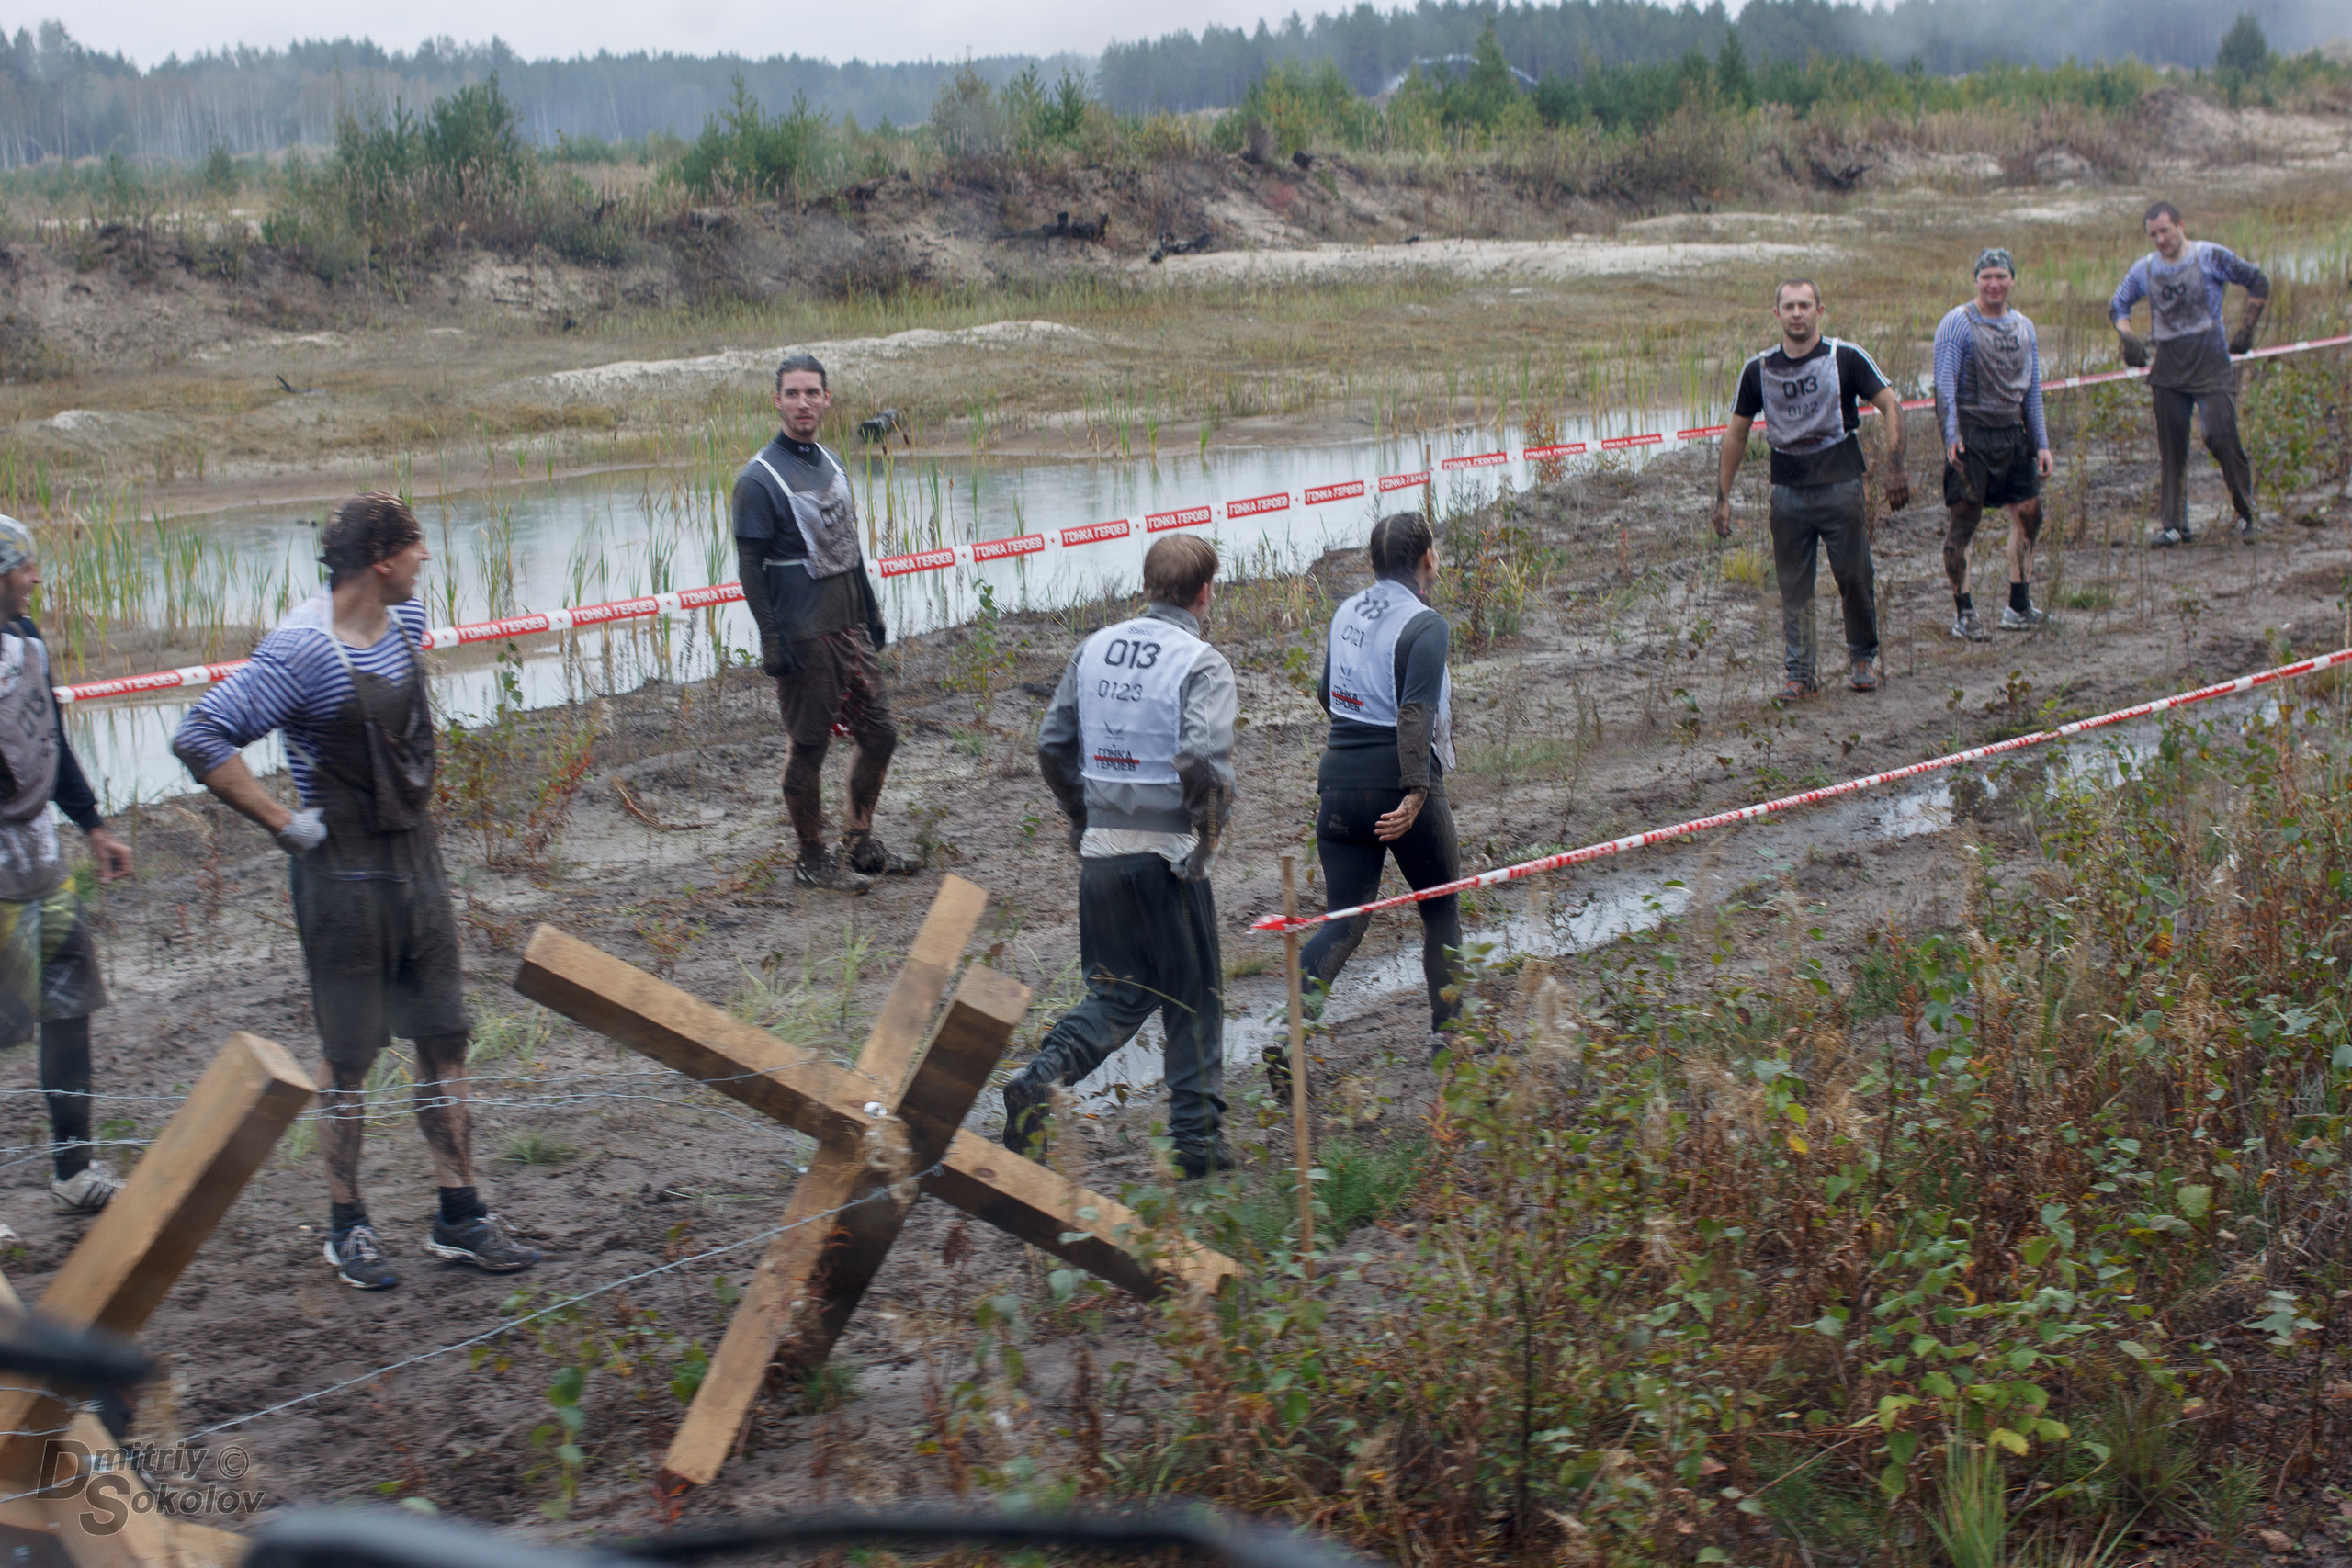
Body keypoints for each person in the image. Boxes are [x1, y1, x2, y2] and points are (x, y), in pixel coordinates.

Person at [172, 493, 538, 1291]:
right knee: (350, 1057)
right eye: (415, 546)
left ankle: (460, 1213)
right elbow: (200, 735)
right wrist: (281, 821)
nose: (426, 559)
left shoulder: (405, 622)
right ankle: (348, 1227)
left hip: (415, 861)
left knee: (444, 1037)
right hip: (339, 876)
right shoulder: (302, 650)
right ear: (381, 560)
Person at [1002, 535, 1236, 1179]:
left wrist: (1082, 818)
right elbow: (1202, 760)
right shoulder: (1202, 662)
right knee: (1193, 999)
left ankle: (1041, 1078)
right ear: (1204, 592)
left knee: (1117, 993)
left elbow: (1052, 744)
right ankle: (1197, 1145)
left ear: (1148, 585)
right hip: (1169, 857)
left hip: (1102, 855)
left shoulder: (1094, 648)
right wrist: (1207, 838)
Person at [734, 353, 919, 895]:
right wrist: (771, 638)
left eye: (812, 393)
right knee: (808, 746)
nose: (803, 403)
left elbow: (848, 546)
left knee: (880, 735)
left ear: (827, 399)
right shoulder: (758, 479)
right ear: (777, 401)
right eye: (792, 394)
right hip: (804, 633)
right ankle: (812, 859)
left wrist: (871, 609)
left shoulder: (833, 464)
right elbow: (749, 566)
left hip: (849, 625)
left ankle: (859, 843)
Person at [0, 518, 135, 1213]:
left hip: (43, 869)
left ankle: (73, 1169)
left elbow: (50, 736)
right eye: (23, 567)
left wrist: (93, 825)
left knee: (68, 1007)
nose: (34, 578)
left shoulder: (26, 642)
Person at [1294, 511, 1464, 1063]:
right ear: (1428, 559)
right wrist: (1415, 791)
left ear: (1373, 563)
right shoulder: (1426, 623)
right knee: (1440, 908)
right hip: (1399, 783)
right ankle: (1448, 1041)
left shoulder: (1346, 610)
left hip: (1339, 781)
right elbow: (1416, 712)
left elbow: (1328, 693)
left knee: (1342, 921)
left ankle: (1290, 1039)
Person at [1714, 279, 1910, 699]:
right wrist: (1722, 496)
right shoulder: (1758, 369)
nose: (1797, 313)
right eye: (1789, 306)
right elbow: (1736, 434)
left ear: (1820, 310)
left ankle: (1862, 659)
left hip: (1841, 484)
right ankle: (1800, 674)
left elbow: (1891, 405)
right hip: (1787, 492)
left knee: (1855, 575)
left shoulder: (1846, 357)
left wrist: (1896, 468)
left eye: (1804, 305)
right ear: (1777, 314)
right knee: (1793, 585)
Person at [2109, 202, 2269, 547]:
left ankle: (2248, 515)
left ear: (2181, 225)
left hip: (2211, 362)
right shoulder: (2144, 269)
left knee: (2222, 436)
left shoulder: (2209, 256)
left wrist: (2246, 329)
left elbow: (2257, 280)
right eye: (2153, 234)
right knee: (2171, 447)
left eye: (2165, 231)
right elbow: (2118, 304)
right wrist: (2127, 337)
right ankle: (2174, 526)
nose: (2160, 239)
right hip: (2169, 368)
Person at [1935, 247, 2053, 639]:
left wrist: (2041, 443)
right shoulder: (1957, 323)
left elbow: (2032, 389)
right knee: (1964, 523)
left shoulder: (2024, 327)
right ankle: (1964, 613)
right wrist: (1952, 434)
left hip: (2012, 435)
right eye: (1986, 277)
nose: (1994, 284)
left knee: (2029, 515)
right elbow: (1945, 386)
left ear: (2012, 280)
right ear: (1976, 280)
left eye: (2001, 276)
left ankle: (2019, 606)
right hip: (1972, 437)